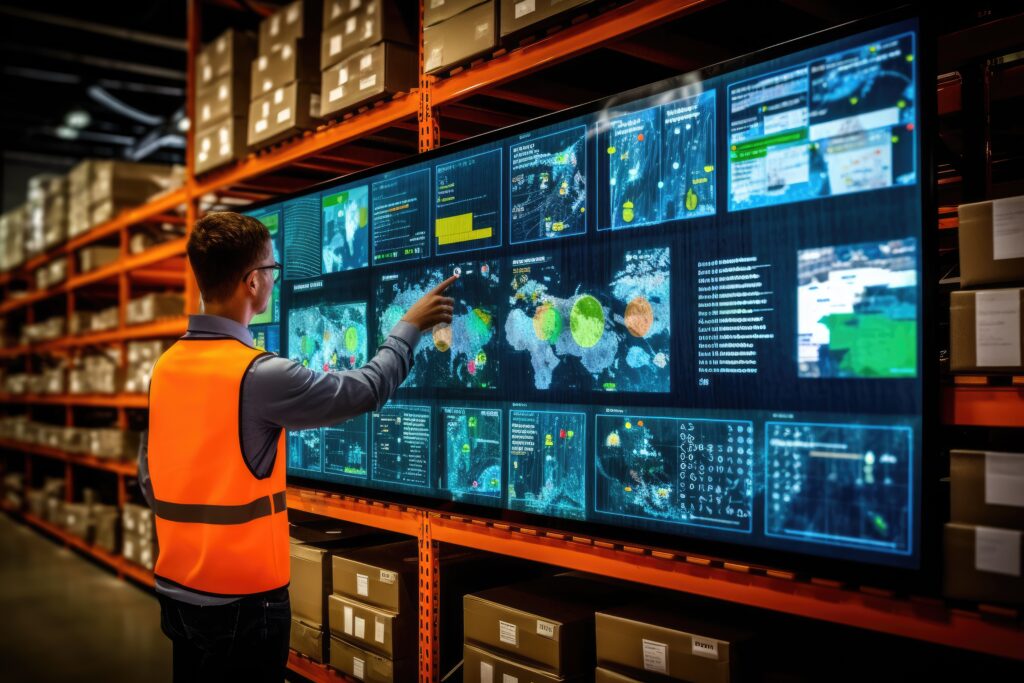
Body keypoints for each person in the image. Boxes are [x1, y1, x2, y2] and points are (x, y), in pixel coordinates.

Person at [138, 211, 455, 682]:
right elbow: (365, 389)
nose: (273, 280)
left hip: (178, 592)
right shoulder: (259, 374)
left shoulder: (166, 366)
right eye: (272, 270)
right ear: (253, 282)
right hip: (243, 604)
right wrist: (408, 327)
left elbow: (149, 475)